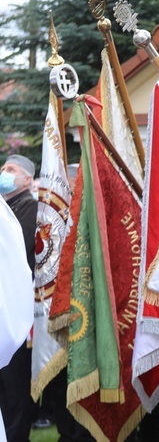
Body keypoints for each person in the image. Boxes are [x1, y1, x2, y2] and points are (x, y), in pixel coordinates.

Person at [0, 154, 37, 441]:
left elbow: (21, 252)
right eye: (3, 168)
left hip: (14, 312)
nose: (4, 172)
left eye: (11, 170)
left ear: (27, 179)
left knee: (14, 393)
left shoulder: (28, 207)